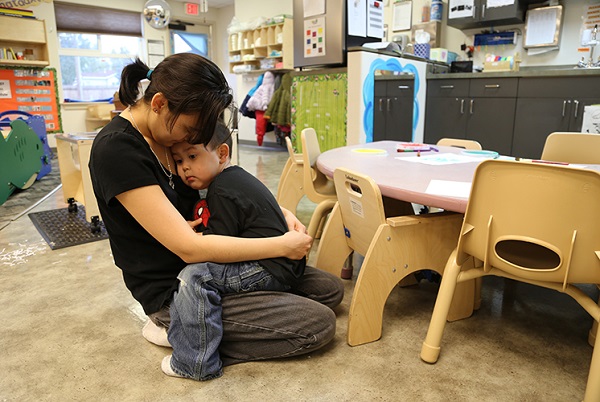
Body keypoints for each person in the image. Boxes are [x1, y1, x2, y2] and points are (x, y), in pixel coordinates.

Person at [88, 54, 344, 379]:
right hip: (179, 290)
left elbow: (221, 185)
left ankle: (206, 328)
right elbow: (189, 249)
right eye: (189, 129)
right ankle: (183, 334)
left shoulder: (171, 135)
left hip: (217, 269)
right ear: (158, 103)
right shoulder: (117, 150)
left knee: (328, 290)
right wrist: (280, 245)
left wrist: (279, 213)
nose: (188, 141)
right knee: (317, 324)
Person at [167, 122, 306, 380]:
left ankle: (193, 363)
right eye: (178, 160)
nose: (184, 166)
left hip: (267, 268)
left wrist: (193, 237)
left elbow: (221, 245)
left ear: (221, 154)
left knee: (195, 276)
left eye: (192, 156)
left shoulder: (222, 189)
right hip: (284, 264)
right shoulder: (237, 177)